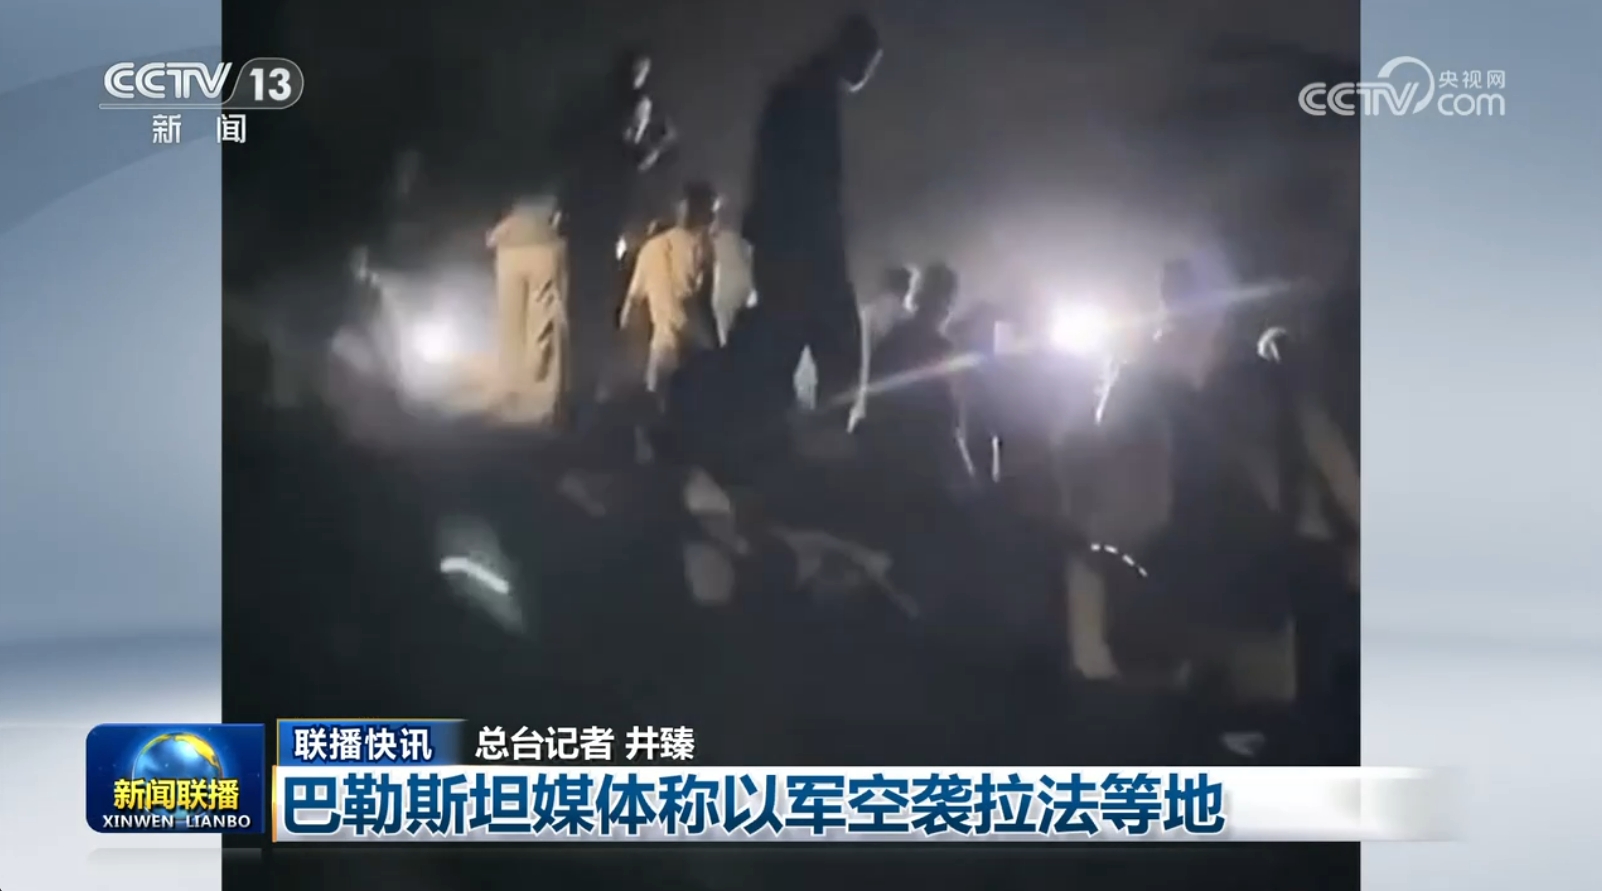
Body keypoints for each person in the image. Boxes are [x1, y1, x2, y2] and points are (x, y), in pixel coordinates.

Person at [1064, 256, 1358, 758]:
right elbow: (1108, 512)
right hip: (1206, 601)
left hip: (1227, 599)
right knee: (1239, 740)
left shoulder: (1175, 386)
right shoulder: (1179, 388)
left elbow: (1110, 510)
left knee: (1238, 739)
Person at [726, 13, 884, 430]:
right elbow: (812, 181)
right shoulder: (813, 95)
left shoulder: (800, 88)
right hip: (803, 247)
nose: (866, 74)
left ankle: (775, 438)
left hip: (782, 245)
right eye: (867, 63)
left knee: (785, 350)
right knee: (837, 351)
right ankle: (821, 441)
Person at [556, 47, 677, 410]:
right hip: (602, 220)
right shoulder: (629, 108)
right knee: (599, 306)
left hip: (584, 218)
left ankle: (577, 392)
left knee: (581, 307)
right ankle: (588, 392)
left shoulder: (594, 113)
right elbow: (631, 157)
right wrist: (660, 143)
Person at [855, 263, 975, 489]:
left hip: (888, 464)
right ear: (947, 303)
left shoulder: (891, 341)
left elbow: (874, 400)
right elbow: (946, 419)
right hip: (927, 467)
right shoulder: (941, 350)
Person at [618, 181, 721, 405]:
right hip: (694, 349)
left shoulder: (650, 248)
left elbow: (631, 307)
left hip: (663, 349)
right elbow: (707, 302)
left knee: (657, 408)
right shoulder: (702, 247)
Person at [486, 195, 569, 427]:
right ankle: (544, 403)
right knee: (544, 324)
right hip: (544, 240)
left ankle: (513, 397)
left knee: (510, 325)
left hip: (508, 241)